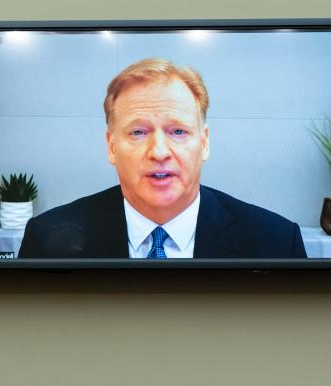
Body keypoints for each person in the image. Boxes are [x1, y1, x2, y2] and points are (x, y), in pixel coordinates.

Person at [17, 58, 306, 259]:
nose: (159, 152)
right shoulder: (45, 238)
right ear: (111, 146)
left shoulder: (276, 241)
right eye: (139, 132)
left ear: (204, 143)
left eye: (178, 131)